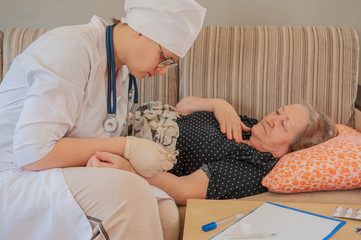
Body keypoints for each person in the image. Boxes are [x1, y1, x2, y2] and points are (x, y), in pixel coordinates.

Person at [0, 0, 206, 239]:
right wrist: (126, 147)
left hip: (55, 170)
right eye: (164, 58)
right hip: (15, 173)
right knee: (130, 193)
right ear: (141, 29)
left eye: (171, 64)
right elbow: (32, 151)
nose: (163, 70)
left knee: (165, 209)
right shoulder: (71, 49)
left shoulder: (123, 73)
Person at [86, 96, 339, 205]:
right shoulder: (249, 126)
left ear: (292, 148)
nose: (272, 118)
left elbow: (184, 190)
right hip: (124, 116)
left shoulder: (254, 166)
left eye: (283, 125)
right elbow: (182, 106)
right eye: (278, 111)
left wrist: (131, 171)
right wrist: (219, 104)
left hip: (127, 144)